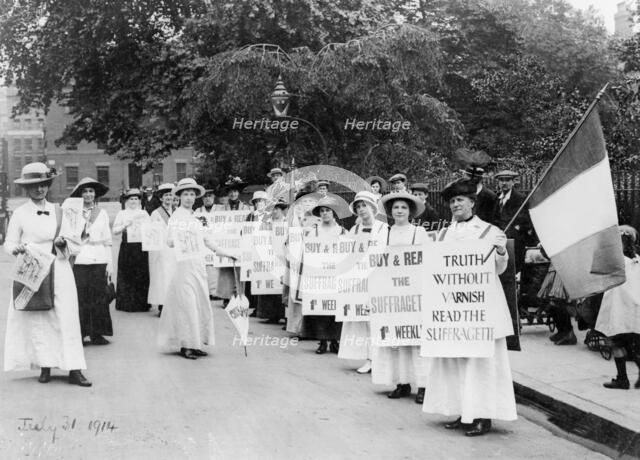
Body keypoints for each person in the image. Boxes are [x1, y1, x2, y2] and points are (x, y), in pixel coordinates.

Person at [423, 178, 517, 437]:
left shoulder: (490, 232)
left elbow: (500, 269)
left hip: (482, 309)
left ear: (472, 203)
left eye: (460, 200)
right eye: (452, 202)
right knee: (456, 361)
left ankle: (482, 416)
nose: (455, 205)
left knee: (481, 363)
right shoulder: (441, 235)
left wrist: (500, 252)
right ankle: (462, 412)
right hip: (453, 310)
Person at [4, 162, 92, 386]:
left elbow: (75, 244)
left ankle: (74, 368)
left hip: (59, 267)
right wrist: (16, 249)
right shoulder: (20, 214)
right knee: (39, 318)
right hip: (32, 268)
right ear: (26, 188)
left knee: (66, 317)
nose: (39, 190)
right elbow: (10, 242)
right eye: (34, 185)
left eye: (43, 185)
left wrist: (63, 243)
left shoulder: (61, 211)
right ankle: (45, 366)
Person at [157, 178, 238, 359]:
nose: (189, 198)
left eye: (192, 194)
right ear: (179, 197)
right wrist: (181, 235)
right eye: (185, 194)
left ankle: (196, 343)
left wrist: (225, 253)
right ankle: (186, 344)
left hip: (198, 265)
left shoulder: (196, 217)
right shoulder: (177, 217)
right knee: (187, 304)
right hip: (183, 266)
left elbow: (207, 240)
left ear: (196, 197)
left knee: (200, 302)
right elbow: (169, 241)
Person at [372, 191, 428, 403]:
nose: (399, 211)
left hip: (414, 293)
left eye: (404, 208)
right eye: (396, 208)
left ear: (410, 211)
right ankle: (402, 382)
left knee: (417, 340)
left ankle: (423, 385)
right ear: (391, 211)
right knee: (396, 340)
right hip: (392, 294)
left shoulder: (418, 232)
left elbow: (427, 260)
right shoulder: (384, 234)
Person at [338, 191, 388, 374]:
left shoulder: (384, 228)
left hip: (379, 277)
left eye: (364, 205)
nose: (361, 209)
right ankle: (369, 357)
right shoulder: (354, 230)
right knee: (362, 320)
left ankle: (378, 359)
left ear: (373, 208)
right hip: (359, 280)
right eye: (358, 206)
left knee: (376, 320)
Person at [69, 177, 114, 345]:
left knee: (98, 297)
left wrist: (110, 263)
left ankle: (97, 333)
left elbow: (108, 240)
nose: (88, 195)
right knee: (80, 297)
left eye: (91, 191)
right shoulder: (73, 213)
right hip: (79, 259)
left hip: (98, 257)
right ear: (80, 195)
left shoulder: (101, 213)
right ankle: (80, 333)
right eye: (85, 191)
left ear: (95, 194)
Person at [596, 225, 640, 390]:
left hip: (619, 307)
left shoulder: (617, 261)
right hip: (634, 307)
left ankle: (622, 379)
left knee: (617, 343)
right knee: (632, 342)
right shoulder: (637, 260)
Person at [301, 196, 345, 354]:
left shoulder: (341, 231)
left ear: (334, 213)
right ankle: (322, 341)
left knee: (335, 308)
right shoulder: (313, 232)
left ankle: (335, 340)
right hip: (318, 275)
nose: (325, 213)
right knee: (320, 309)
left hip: (335, 274)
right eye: (322, 211)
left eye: (328, 211)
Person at [112, 188, 151, 312]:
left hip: (141, 247)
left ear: (139, 201)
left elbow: (151, 229)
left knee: (141, 274)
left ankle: (141, 303)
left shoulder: (144, 214)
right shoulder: (122, 214)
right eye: (131, 199)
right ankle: (126, 303)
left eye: (136, 199)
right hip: (127, 247)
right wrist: (125, 225)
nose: (133, 201)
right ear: (127, 201)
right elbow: (115, 231)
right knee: (127, 274)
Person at [492, 170, 532, 273]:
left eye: (507, 180)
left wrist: (513, 231)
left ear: (513, 182)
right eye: (501, 180)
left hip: (515, 241)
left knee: (514, 270)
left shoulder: (520, 198)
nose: (504, 183)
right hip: (499, 241)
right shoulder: (497, 198)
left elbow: (524, 221)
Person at [537, 250, 577, 345]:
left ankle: (568, 333)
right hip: (555, 269)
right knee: (553, 302)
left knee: (559, 302)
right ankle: (562, 332)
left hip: (563, 269)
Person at [148, 183, 176, 316]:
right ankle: (162, 306)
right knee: (163, 278)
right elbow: (152, 234)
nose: (169, 198)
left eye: (170, 195)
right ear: (161, 198)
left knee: (174, 278)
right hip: (162, 250)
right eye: (166, 195)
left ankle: (174, 306)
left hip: (176, 250)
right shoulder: (156, 213)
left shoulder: (177, 211)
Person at [194, 188, 218, 300]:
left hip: (216, 240)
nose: (207, 199)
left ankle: (216, 292)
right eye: (205, 196)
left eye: (210, 196)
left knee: (216, 267)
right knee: (205, 267)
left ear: (213, 197)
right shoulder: (197, 211)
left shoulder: (220, 209)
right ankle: (205, 291)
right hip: (204, 242)